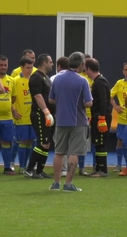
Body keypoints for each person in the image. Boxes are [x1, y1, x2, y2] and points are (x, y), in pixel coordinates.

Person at [49, 51, 93, 192]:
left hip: (61, 119)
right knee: (74, 152)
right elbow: (88, 103)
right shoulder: (82, 81)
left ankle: (56, 183)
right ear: (82, 64)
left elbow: (51, 99)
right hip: (78, 121)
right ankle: (68, 183)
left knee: (59, 152)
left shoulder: (57, 79)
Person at [25, 54, 55, 179]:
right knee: (43, 142)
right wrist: (45, 111)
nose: (52, 64)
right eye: (50, 62)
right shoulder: (36, 77)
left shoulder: (46, 78)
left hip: (48, 114)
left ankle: (40, 170)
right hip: (39, 113)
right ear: (44, 63)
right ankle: (29, 169)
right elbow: (38, 96)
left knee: (47, 143)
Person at [10, 49, 37, 170]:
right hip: (21, 116)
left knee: (31, 142)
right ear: (22, 67)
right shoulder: (15, 79)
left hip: (34, 116)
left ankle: (29, 166)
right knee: (21, 142)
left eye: (31, 66)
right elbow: (11, 98)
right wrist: (13, 110)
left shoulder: (36, 76)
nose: (30, 69)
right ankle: (18, 165)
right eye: (28, 67)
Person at [85, 58, 112, 177]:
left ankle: (103, 170)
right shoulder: (98, 81)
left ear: (89, 69)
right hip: (98, 116)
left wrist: (101, 118)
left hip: (102, 117)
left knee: (101, 143)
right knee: (97, 143)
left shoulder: (100, 82)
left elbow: (103, 101)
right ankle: (98, 168)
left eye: (85, 68)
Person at [50, 56, 70, 177]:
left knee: (59, 143)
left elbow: (51, 99)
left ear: (59, 66)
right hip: (73, 115)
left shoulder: (53, 78)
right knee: (70, 142)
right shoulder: (77, 78)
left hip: (58, 114)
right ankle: (68, 168)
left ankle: (62, 168)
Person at [77, 54, 95, 176]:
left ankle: (95, 165)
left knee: (94, 142)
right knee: (81, 142)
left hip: (92, 114)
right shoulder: (78, 77)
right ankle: (81, 167)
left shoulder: (94, 78)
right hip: (80, 115)